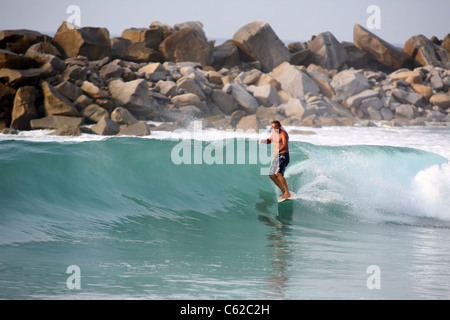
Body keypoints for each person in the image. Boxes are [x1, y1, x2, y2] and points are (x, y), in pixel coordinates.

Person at [259, 120, 291, 200]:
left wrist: (277, 151)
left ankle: (287, 193)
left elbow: (284, 144)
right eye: (272, 127)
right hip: (277, 156)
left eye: (275, 127)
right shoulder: (273, 134)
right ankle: (283, 190)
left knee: (278, 173)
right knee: (271, 175)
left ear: (279, 126)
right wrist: (263, 141)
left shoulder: (283, 134)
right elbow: (269, 140)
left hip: (284, 155)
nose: (273, 128)